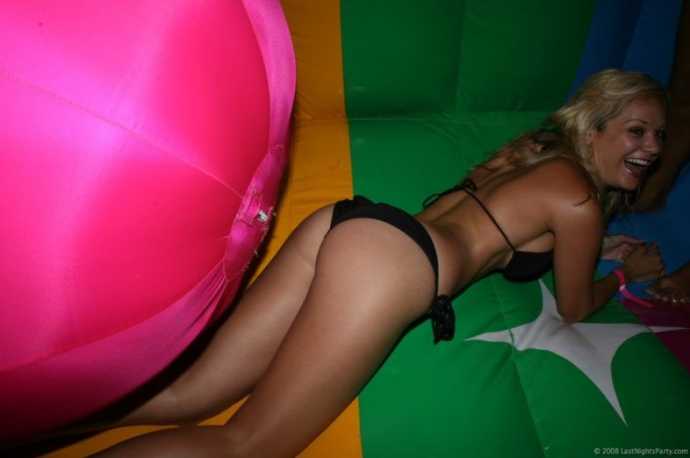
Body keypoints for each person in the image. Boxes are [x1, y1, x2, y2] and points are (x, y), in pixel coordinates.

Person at [91, 69, 667, 457]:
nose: (653, 148)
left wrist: (594, 246)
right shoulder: (580, 201)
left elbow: (515, 222)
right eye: (636, 131)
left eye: (660, 136)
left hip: (353, 224)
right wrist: (625, 275)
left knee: (187, 395)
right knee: (247, 445)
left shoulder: (534, 156)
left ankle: (41, 419)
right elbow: (573, 307)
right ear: (595, 127)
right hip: (390, 263)